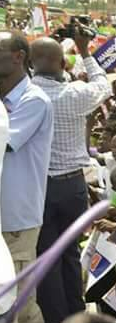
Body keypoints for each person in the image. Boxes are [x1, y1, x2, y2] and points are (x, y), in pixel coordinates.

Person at [32, 32, 112, 322]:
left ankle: (56, 318)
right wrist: (84, 49)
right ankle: (76, 315)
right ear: (63, 62)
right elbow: (104, 85)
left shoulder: (26, 95)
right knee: (69, 254)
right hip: (72, 188)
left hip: (39, 188)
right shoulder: (76, 94)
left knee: (46, 258)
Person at [0, 30, 53, 323]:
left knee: (18, 304)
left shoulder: (34, 100)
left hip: (16, 220)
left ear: (18, 57)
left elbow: (4, 142)